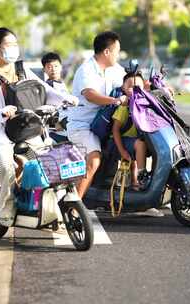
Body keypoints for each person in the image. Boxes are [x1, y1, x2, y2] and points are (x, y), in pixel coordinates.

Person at [0, 27, 78, 225]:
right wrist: (2, 112)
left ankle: (47, 203)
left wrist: (65, 98)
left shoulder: (21, 69)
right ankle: (4, 206)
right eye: (9, 45)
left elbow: (46, 91)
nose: (14, 49)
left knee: (52, 157)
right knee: (7, 168)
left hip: (25, 126)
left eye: (16, 44)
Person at [67, 31, 127, 199]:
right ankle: (73, 205)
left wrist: (155, 86)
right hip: (83, 126)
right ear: (107, 52)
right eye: (117, 51)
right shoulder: (86, 70)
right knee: (94, 160)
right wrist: (115, 101)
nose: (118, 55)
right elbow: (90, 95)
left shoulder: (113, 69)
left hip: (102, 125)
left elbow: (131, 79)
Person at [110, 71, 150, 190]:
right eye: (130, 87)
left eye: (138, 86)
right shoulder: (125, 106)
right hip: (118, 141)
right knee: (140, 145)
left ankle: (135, 182)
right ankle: (142, 176)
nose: (134, 89)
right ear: (123, 88)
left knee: (140, 145)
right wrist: (122, 151)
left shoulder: (143, 103)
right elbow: (115, 130)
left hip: (132, 139)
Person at [41, 52, 69, 142]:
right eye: (49, 67)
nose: (53, 69)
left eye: (56, 66)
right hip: (56, 132)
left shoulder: (61, 84)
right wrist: (55, 124)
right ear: (44, 70)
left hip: (66, 129)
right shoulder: (47, 86)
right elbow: (45, 108)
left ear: (61, 67)